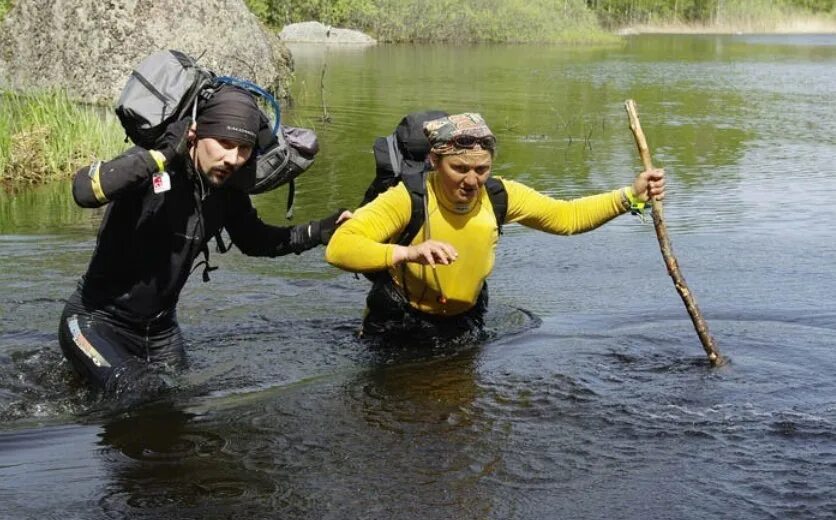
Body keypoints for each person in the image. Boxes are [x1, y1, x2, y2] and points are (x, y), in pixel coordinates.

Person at [58, 84, 346, 398]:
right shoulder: (151, 164)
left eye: (244, 149)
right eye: (224, 143)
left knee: (180, 402)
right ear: (196, 134)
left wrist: (318, 231)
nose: (233, 158)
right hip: (94, 323)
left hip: (160, 334)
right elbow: (84, 190)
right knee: (141, 393)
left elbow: (256, 241)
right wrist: (165, 153)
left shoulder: (224, 191)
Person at [325, 112, 665, 340]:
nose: (472, 180)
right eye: (459, 168)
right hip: (399, 325)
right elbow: (340, 247)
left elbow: (568, 217)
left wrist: (630, 196)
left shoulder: (500, 196)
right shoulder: (407, 198)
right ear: (434, 161)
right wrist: (407, 252)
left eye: (482, 169)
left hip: (466, 322)